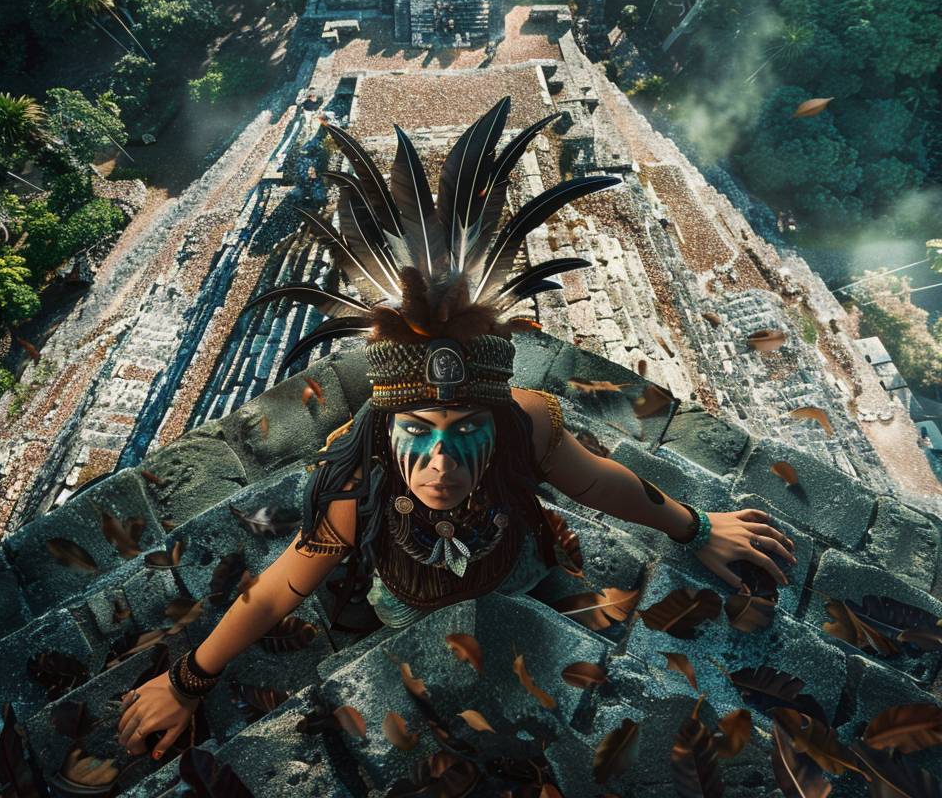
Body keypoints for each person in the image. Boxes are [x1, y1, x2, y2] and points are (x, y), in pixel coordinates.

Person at [115, 97, 797, 760]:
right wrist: (187, 682)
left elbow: (597, 482)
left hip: (524, 581)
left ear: (496, 417)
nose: (441, 458)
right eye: (419, 427)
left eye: (467, 426)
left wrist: (697, 528)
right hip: (404, 618)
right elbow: (283, 583)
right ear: (388, 423)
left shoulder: (528, 422)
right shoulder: (360, 466)